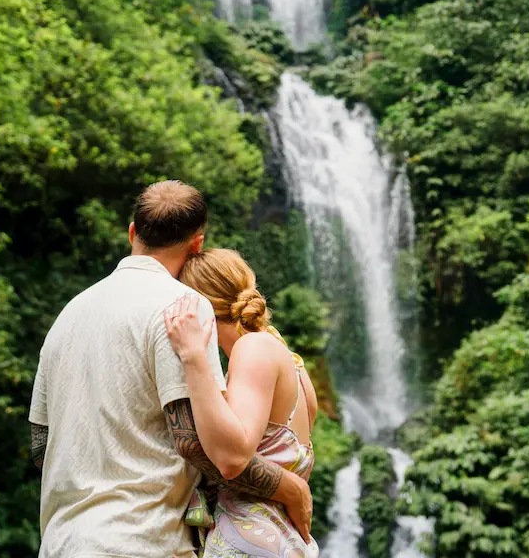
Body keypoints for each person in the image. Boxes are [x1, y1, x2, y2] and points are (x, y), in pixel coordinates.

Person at [29, 181, 312, 558]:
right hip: (143, 540)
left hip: (63, 541)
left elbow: (39, 447)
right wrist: (287, 486)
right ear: (197, 243)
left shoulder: (68, 316)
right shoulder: (184, 307)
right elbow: (195, 442)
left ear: (133, 232)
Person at [165, 249, 320, 558]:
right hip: (281, 539)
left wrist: (193, 357)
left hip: (249, 542)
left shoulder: (253, 349)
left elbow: (232, 457)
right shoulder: (289, 359)